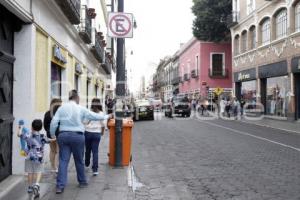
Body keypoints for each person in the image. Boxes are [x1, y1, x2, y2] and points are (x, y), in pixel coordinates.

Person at [50, 90, 113, 194]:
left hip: (63, 135)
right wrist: (107, 116)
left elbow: (54, 122)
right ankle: (82, 181)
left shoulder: (61, 108)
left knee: (63, 161)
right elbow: (95, 116)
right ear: (77, 98)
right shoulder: (81, 109)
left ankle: (60, 186)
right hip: (77, 136)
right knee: (79, 160)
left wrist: (53, 135)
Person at [17, 119, 54, 198]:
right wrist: (55, 139)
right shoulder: (42, 136)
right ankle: (36, 184)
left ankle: (30, 187)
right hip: (39, 157)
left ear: (32, 127)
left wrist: (20, 127)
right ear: (41, 128)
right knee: (39, 171)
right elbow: (49, 140)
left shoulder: (28, 135)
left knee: (30, 172)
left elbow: (19, 134)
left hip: (29, 156)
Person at [84, 98, 105, 176]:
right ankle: (95, 170)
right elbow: (103, 125)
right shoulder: (101, 114)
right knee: (95, 151)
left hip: (88, 133)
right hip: (97, 134)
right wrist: (102, 132)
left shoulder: (88, 112)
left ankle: (86, 163)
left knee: (88, 149)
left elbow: (85, 123)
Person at [43, 98, 62, 173]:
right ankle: (57, 167)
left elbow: (45, 125)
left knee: (52, 150)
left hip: (50, 134)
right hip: (59, 133)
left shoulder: (47, 113)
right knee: (58, 151)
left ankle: (52, 167)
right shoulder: (60, 113)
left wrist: (48, 131)